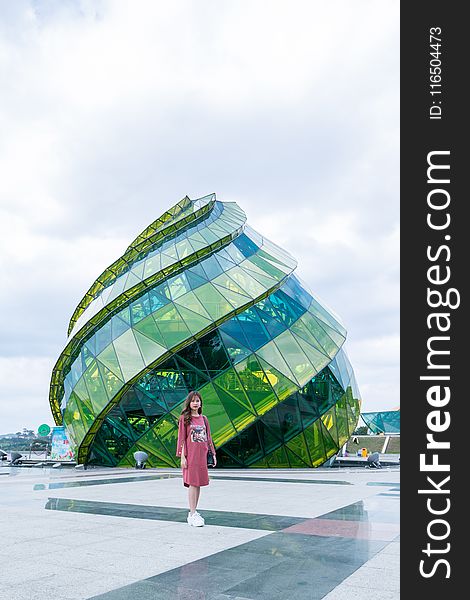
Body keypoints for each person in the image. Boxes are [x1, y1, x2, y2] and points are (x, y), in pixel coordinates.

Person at [176, 390, 217, 527]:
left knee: (198, 483)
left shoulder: (204, 419)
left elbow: (209, 438)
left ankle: (194, 512)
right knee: (193, 483)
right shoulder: (184, 418)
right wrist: (182, 457)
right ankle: (192, 513)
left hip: (202, 456)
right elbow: (181, 439)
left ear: (200, 403)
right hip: (191, 456)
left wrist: (213, 454)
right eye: (193, 401)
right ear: (189, 403)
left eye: (197, 401)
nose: (195, 403)